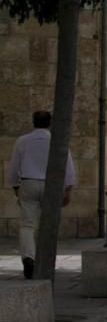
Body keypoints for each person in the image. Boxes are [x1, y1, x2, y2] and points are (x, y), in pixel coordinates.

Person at [6, 111, 75, 279]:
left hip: (28, 181)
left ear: (33, 122)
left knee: (27, 225)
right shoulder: (57, 140)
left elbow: (15, 166)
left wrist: (16, 185)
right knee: (48, 223)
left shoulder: (22, 141)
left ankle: (29, 257)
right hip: (51, 184)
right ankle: (45, 258)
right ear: (50, 123)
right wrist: (67, 190)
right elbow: (68, 166)